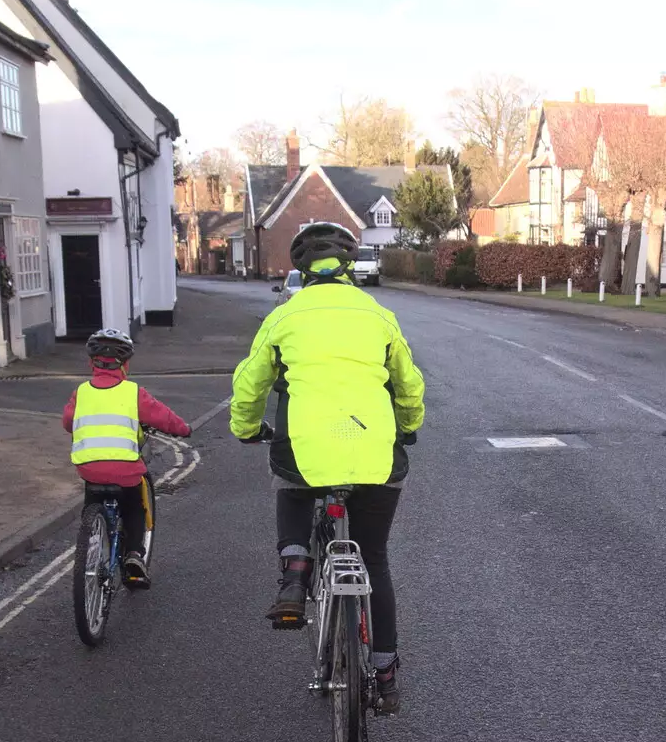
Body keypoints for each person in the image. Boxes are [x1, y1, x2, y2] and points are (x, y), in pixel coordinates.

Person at [230, 222, 425, 713]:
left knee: (293, 484)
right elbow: (409, 382)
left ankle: (296, 571)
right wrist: (409, 424)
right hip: (374, 451)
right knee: (373, 558)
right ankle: (384, 670)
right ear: (347, 268)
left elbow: (251, 383)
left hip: (306, 447)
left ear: (301, 270)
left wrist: (245, 428)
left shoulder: (284, 317)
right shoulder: (378, 314)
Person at [63, 327, 191, 589]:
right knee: (134, 506)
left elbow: (68, 422)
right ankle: (134, 554)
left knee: (93, 499)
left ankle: (92, 540)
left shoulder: (81, 392)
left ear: (91, 363)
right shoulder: (133, 392)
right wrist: (184, 429)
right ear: (125, 365)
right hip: (127, 472)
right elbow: (163, 417)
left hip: (89, 468)